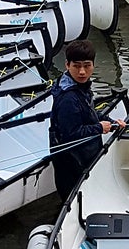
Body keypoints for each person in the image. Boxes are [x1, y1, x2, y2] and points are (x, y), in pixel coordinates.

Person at [50, 39, 117, 202]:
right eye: (77, 66)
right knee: (75, 200)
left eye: (87, 66)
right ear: (67, 65)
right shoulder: (68, 99)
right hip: (71, 163)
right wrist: (99, 128)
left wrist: (111, 122)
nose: (82, 72)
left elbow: (89, 113)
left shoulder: (80, 87)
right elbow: (71, 135)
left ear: (93, 65)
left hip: (83, 157)